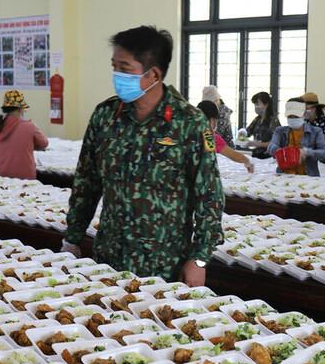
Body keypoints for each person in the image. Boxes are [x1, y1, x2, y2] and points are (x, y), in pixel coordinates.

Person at [63, 25, 224, 285]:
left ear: (154, 74)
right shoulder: (106, 116)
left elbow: (209, 195)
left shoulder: (189, 122)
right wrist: (72, 238)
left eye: (125, 68)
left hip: (165, 264)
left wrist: (200, 258)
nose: (117, 75)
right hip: (109, 259)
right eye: (114, 66)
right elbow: (86, 182)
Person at [0, 90, 49, 180]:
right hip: (25, 176)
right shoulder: (29, 126)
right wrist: (29, 146)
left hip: (1, 176)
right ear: (20, 109)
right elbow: (44, 143)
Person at [267, 100, 325, 176]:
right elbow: (271, 147)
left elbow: (324, 153)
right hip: (284, 175)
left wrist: (307, 152)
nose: (293, 119)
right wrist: (282, 152)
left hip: (308, 176)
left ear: (304, 114)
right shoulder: (280, 131)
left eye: (296, 116)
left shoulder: (316, 132)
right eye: (290, 116)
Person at [197, 101, 254, 173]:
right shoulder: (209, 137)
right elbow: (232, 155)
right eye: (216, 119)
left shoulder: (190, 132)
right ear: (212, 120)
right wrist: (247, 161)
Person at [300, 91, 325, 169]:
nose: (303, 112)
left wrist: (312, 152)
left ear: (314, 108)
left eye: (306, 109)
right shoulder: (304, 123)